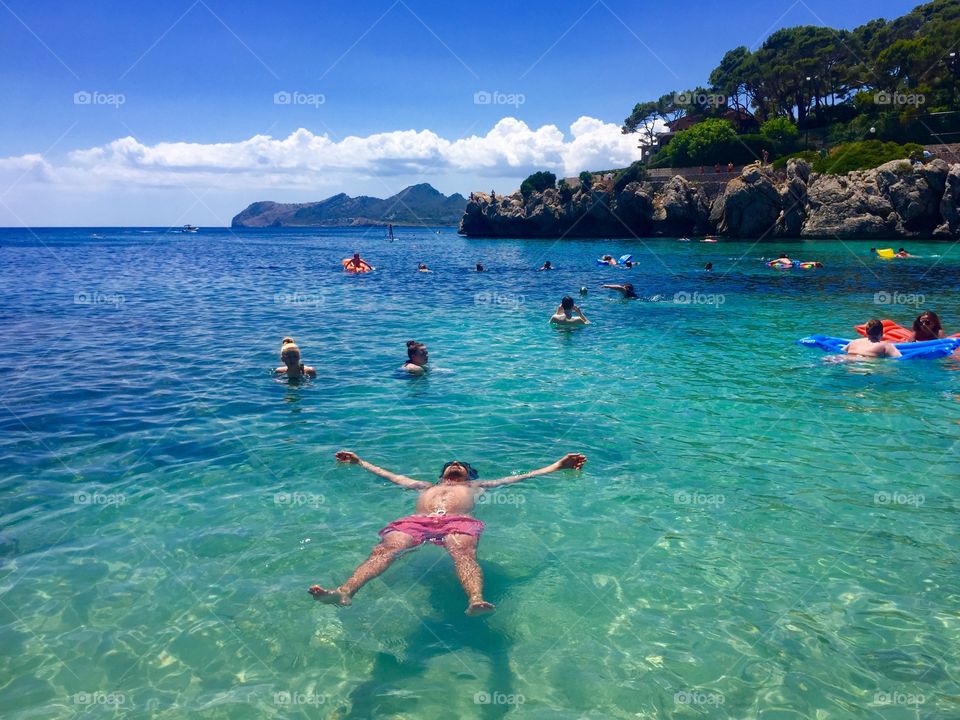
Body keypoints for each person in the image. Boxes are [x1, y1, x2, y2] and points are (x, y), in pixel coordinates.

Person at [309, 450, 588, 615]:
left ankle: (475, 599)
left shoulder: (478, 486)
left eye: (462, 465)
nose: (455, 464)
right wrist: (360, 463)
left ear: (470, 475)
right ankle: (344, 591)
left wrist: (557, 466)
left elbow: (524, 476)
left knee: (463, 553)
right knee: (386, 549)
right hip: (417, 521)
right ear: (442, 474)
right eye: (450, 464)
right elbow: (388, 475)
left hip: (458, 521)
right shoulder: (422, 486)